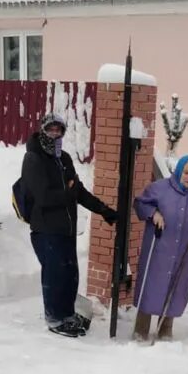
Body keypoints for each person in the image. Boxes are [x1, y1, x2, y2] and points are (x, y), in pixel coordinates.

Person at [22, 113, 118, 337]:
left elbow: (79, 191)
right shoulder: (33, 158)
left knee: (69, 274)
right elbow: (44, 197)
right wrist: (69, 192)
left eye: (59, 130)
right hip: (45, 230)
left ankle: (67, 313)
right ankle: (55, 318)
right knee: (54, 275)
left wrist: (103, 210)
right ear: (43, 130)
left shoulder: (63, 158)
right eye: (50, 129)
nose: (55, 133)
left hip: (66, 229)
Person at [132, 155, 188, 341]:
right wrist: (154, 213)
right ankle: (141, 329)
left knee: (176, 287)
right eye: (186, 172)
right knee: (152, 285)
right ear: (179, 171)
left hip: (184, 250)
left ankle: (165, 329)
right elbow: (140, 203)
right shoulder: (160, 188)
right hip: (159, 248)